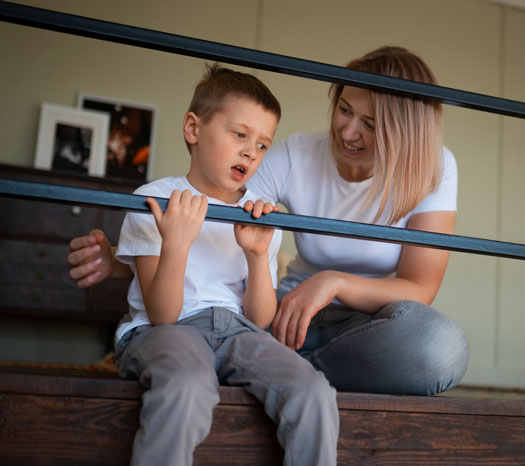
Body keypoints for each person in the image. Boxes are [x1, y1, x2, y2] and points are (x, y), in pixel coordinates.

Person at [68, 46, 469, 397]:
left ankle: (274, 376)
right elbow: (209, 221)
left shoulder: (434, 167)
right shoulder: (297, 153)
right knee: (235, 320)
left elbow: (420, 287)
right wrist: (123, 261)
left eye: (370, 124)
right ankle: (269, 373)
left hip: (366, 330)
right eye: (345, 110)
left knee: (441, 348)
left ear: (405, 132)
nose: (347, 132)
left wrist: (333, 281)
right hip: (287, 317)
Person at [104, 64, 338, 466]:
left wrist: (255, 253)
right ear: (193, 129)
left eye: (263, 144)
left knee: (312, 390)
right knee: (187, 385)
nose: (251, 151)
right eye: (240, 135)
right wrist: (176, 244)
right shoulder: (155, 200)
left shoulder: (258, 216)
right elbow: (162, 315)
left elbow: (260, 318)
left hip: (238, 332)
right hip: (168, 330)